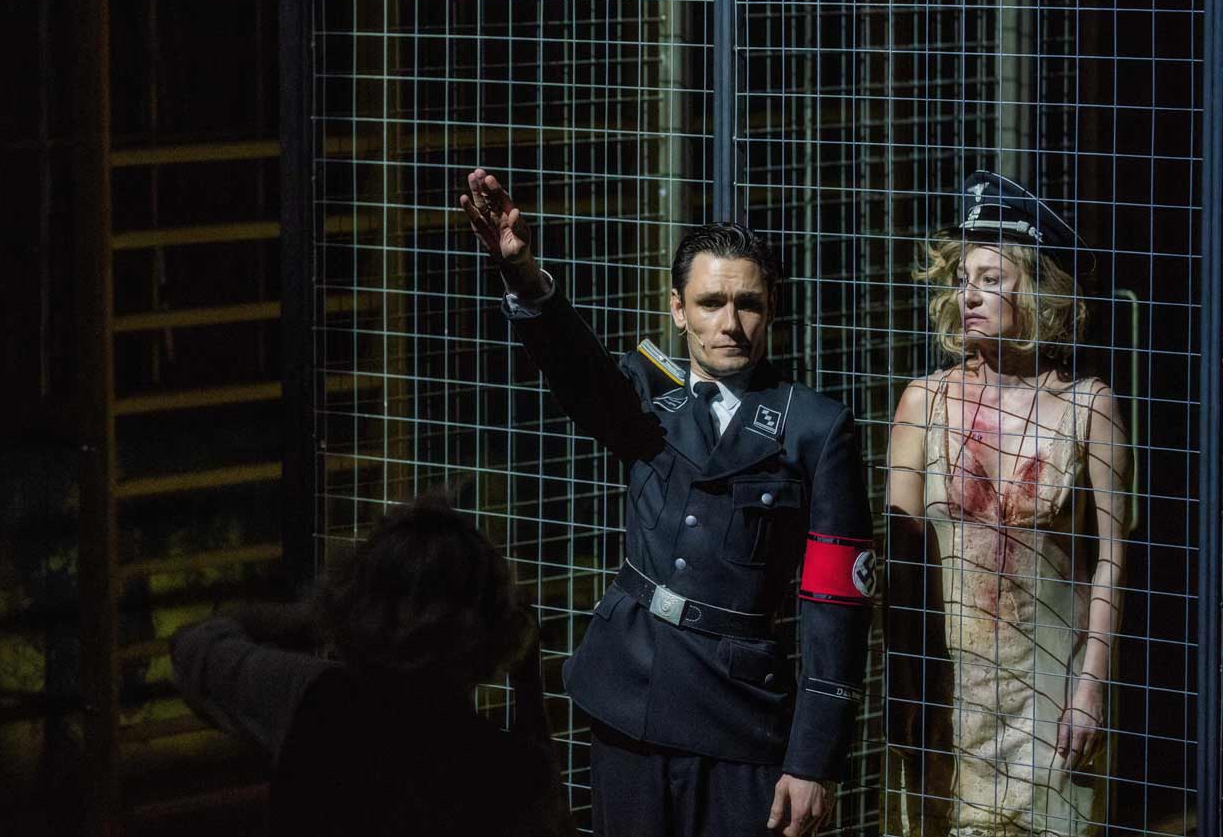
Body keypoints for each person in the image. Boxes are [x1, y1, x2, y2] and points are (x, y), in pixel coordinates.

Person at [459, 168, 875, 837]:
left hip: (740, 715)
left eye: (748, 304)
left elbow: (837, 605)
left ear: (772, 308)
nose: (730, 324)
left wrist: (813, 759)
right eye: (711, 303)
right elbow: (577, 370)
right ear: (678, 309)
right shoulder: (645, 391)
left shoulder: (816, 428)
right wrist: (522, 272)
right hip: (632, 694)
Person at [884, 172, 1131, 836]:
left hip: (1049, 693)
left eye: (991, 279)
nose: (968, 295)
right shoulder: (924, 403)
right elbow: (900, 564)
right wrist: (903, 685)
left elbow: (1113, 559)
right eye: (962, 278)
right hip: (948, 693)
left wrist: (1092, 686)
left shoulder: (1089, 407)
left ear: (1039, 289)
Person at [170, 494, 576, 837]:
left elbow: (194, 644)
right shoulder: (508, 775)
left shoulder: (314, 698)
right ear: (496, 630)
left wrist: (312, 616)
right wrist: (528, 687)